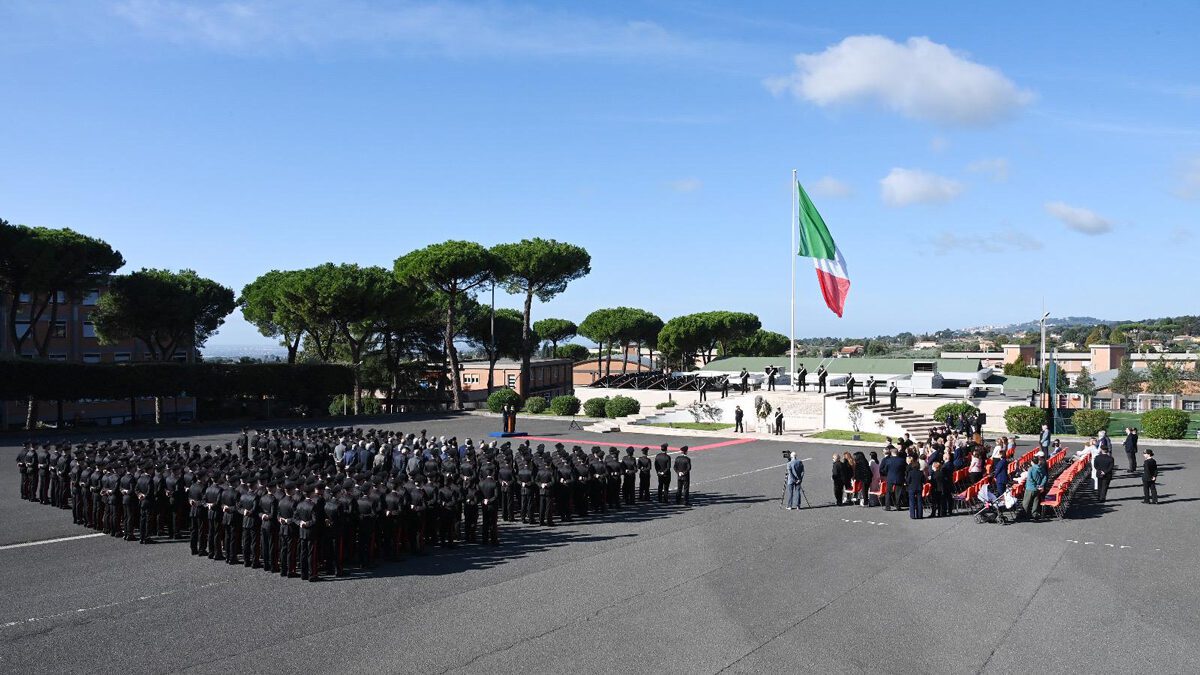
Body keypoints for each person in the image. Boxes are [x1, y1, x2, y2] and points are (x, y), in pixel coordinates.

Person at [1022, 455, 1048, 519]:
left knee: (1026, 502)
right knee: (1035, 501)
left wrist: (1035, 484)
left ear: (1032, 462)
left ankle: (1026, 514)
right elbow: (1045, 477)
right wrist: (1041, 484)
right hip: (1038, 487)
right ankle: (1035, 514)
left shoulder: (1031, 469)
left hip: (1030, 487)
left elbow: (1030, 478)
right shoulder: (1041, 468)